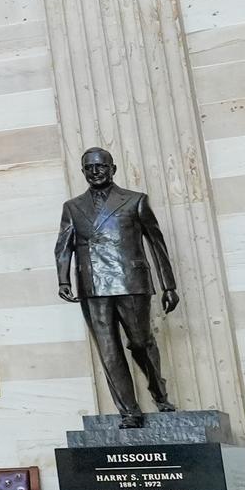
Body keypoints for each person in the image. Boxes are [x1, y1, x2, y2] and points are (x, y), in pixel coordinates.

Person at [53, 145, 180, 427]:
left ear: (113, 169)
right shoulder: (72, 207)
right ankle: (129, 412)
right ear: (83, 171)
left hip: (131, 282)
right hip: (92, 286)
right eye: (89, 168)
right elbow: (63, 246)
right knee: (108, 351)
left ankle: (158, 390)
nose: (95, 172)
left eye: (100, 166)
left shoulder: (135, 200)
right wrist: (63, 279)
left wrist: (168, 285)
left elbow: (156, 243)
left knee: (140, 343)